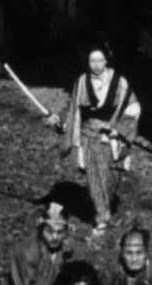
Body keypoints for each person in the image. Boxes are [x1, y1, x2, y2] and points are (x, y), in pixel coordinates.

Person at [48, 44, 140, 232]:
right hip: (89, 136)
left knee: (110, 178)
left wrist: (120, 129)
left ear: (106, 61)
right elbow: (73, 108)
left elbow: (134, 107)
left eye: (100, 60)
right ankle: (102, 217)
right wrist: (60, 121)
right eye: (92, 61)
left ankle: (107, 202)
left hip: (111, 136)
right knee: (95, 178)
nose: (96, 65)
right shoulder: (81, 82)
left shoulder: (119, 82)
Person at [5, 203, 73, 285]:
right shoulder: (29, 253)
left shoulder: (64, 251)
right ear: (41, 229)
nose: (54, 237)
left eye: (60, 232)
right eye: (49, 231)